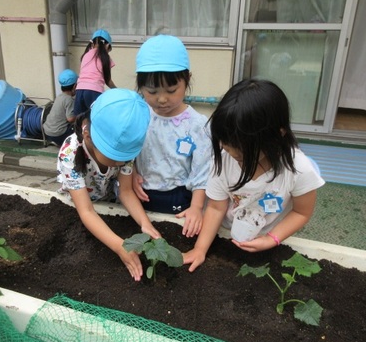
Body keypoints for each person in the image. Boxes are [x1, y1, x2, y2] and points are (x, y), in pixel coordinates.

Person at [184, 79, 325, 272]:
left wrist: (271, 239)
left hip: (270, 232)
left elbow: (301, 212)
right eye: (226, 146)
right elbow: (216, 208)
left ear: (278, 134)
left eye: (242, 153)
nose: (232, 155)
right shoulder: (224, 160)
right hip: (227, 230)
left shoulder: (298, 169)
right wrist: (200, 249)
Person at [57, 88, 161, 281]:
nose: (120, 165)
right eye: (114, 159)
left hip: (107, 202)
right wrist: (119, 246)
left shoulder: (125, 153)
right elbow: (86, 211)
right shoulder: (70, 153)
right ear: (88, 137)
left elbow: (126, 191)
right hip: (78, 205)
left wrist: (145, 223)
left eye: (125, 160)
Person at [133, 34, 212, 237]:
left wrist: (196, 207)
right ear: (140, 87)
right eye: (151, 91)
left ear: (187, 81)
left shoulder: (197, 125)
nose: (161, 99)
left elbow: (202, 171)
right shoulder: (138, 115)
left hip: (180, 198)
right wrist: (131, 174)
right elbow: (126, 150)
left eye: (171, 90)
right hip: (141, 194)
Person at [73, 29, 116, 116]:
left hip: (80, 89)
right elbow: (108, 80)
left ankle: (80, 130)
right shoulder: (105, 58)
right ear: (107, 46)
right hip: (93, 90)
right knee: (97, 117)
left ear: (92, 44)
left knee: (80, 118)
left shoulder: (85, 55)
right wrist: (117, 90)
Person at [43, 69, 78, 146]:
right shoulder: (69, 100)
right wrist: (80, 114)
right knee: (78, 128)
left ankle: (56, 141)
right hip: (59, 134)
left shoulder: (59, 97)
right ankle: (66, 143)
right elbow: (70, 119)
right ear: (75, 86)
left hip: (47, 132)